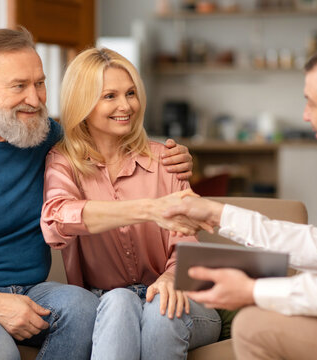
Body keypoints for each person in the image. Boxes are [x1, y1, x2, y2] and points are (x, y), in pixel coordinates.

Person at [0, 28, 193, 360]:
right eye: (19, 86)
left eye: (40, 83)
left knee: (85, 308)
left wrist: (172, 157)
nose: (36, 100)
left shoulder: (49, 138)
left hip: (31, 291)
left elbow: (110, 143)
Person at [164, 38, 317, 359]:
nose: (305, 116)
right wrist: (218, 213)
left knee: (255, 326)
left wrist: (255, 291)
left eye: (311, 102)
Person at [40, 47, 221, 360]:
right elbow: (55, 223)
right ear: (83, 103)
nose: (126, 106)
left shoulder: (166, 160)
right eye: (109, 96)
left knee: (161, 311)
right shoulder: (63, 163)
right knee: (120, 300)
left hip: (181, 296)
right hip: (109, 302)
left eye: (131, 93)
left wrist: (169, 279)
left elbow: (186, 244)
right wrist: (145, 210)